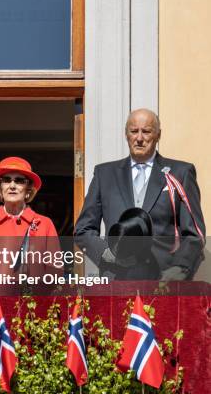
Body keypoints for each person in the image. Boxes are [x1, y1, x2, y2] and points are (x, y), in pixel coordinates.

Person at [75, 108, 205, 280]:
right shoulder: (104, 174)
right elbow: (83, 229)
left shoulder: (180, 173)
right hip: (116, 278)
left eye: (146, 131)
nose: (139, 138)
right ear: (126, 134)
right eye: (134, 131)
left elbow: (194, 234)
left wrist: (180, 268)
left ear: (158, 135)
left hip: (164, 279)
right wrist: (106, 253)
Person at [0, 156, 62, 277]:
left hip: (33, 295)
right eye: (7, 180)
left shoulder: (45, 224)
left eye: (19, 180)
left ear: (28, 188)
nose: (12, 185)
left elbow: (55, 273)